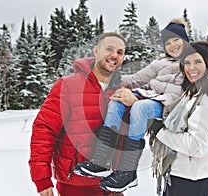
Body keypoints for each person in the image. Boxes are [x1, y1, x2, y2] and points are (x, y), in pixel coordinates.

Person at [73, 19, 190, 193]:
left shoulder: (192, 60)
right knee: (118, 97)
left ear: (185, 40)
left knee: (139, 108)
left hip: (169, 105)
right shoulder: (160, 63)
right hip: (152, 97)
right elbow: (136, 79)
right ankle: (101, 160)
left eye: (176, 40)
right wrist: (113, 76)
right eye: (168, 42)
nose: (172, 45)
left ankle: (128, 172)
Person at [28, 32, 130, 196]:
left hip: (112, 186)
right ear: (96, 51)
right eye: (109, 49)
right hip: (75, 185)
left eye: (120, 52)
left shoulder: (123, 90)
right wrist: (42, 178)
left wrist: (134, 105)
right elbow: (44, 130)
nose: (114, 55)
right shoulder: (68, 86)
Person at [150, 41, 208, 196]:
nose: (191, 68)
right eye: (187, 62)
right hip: (182, 174)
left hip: (194, 179)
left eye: (198, 62)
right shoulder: (192, 91)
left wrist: (160, 132)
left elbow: (197, 146)